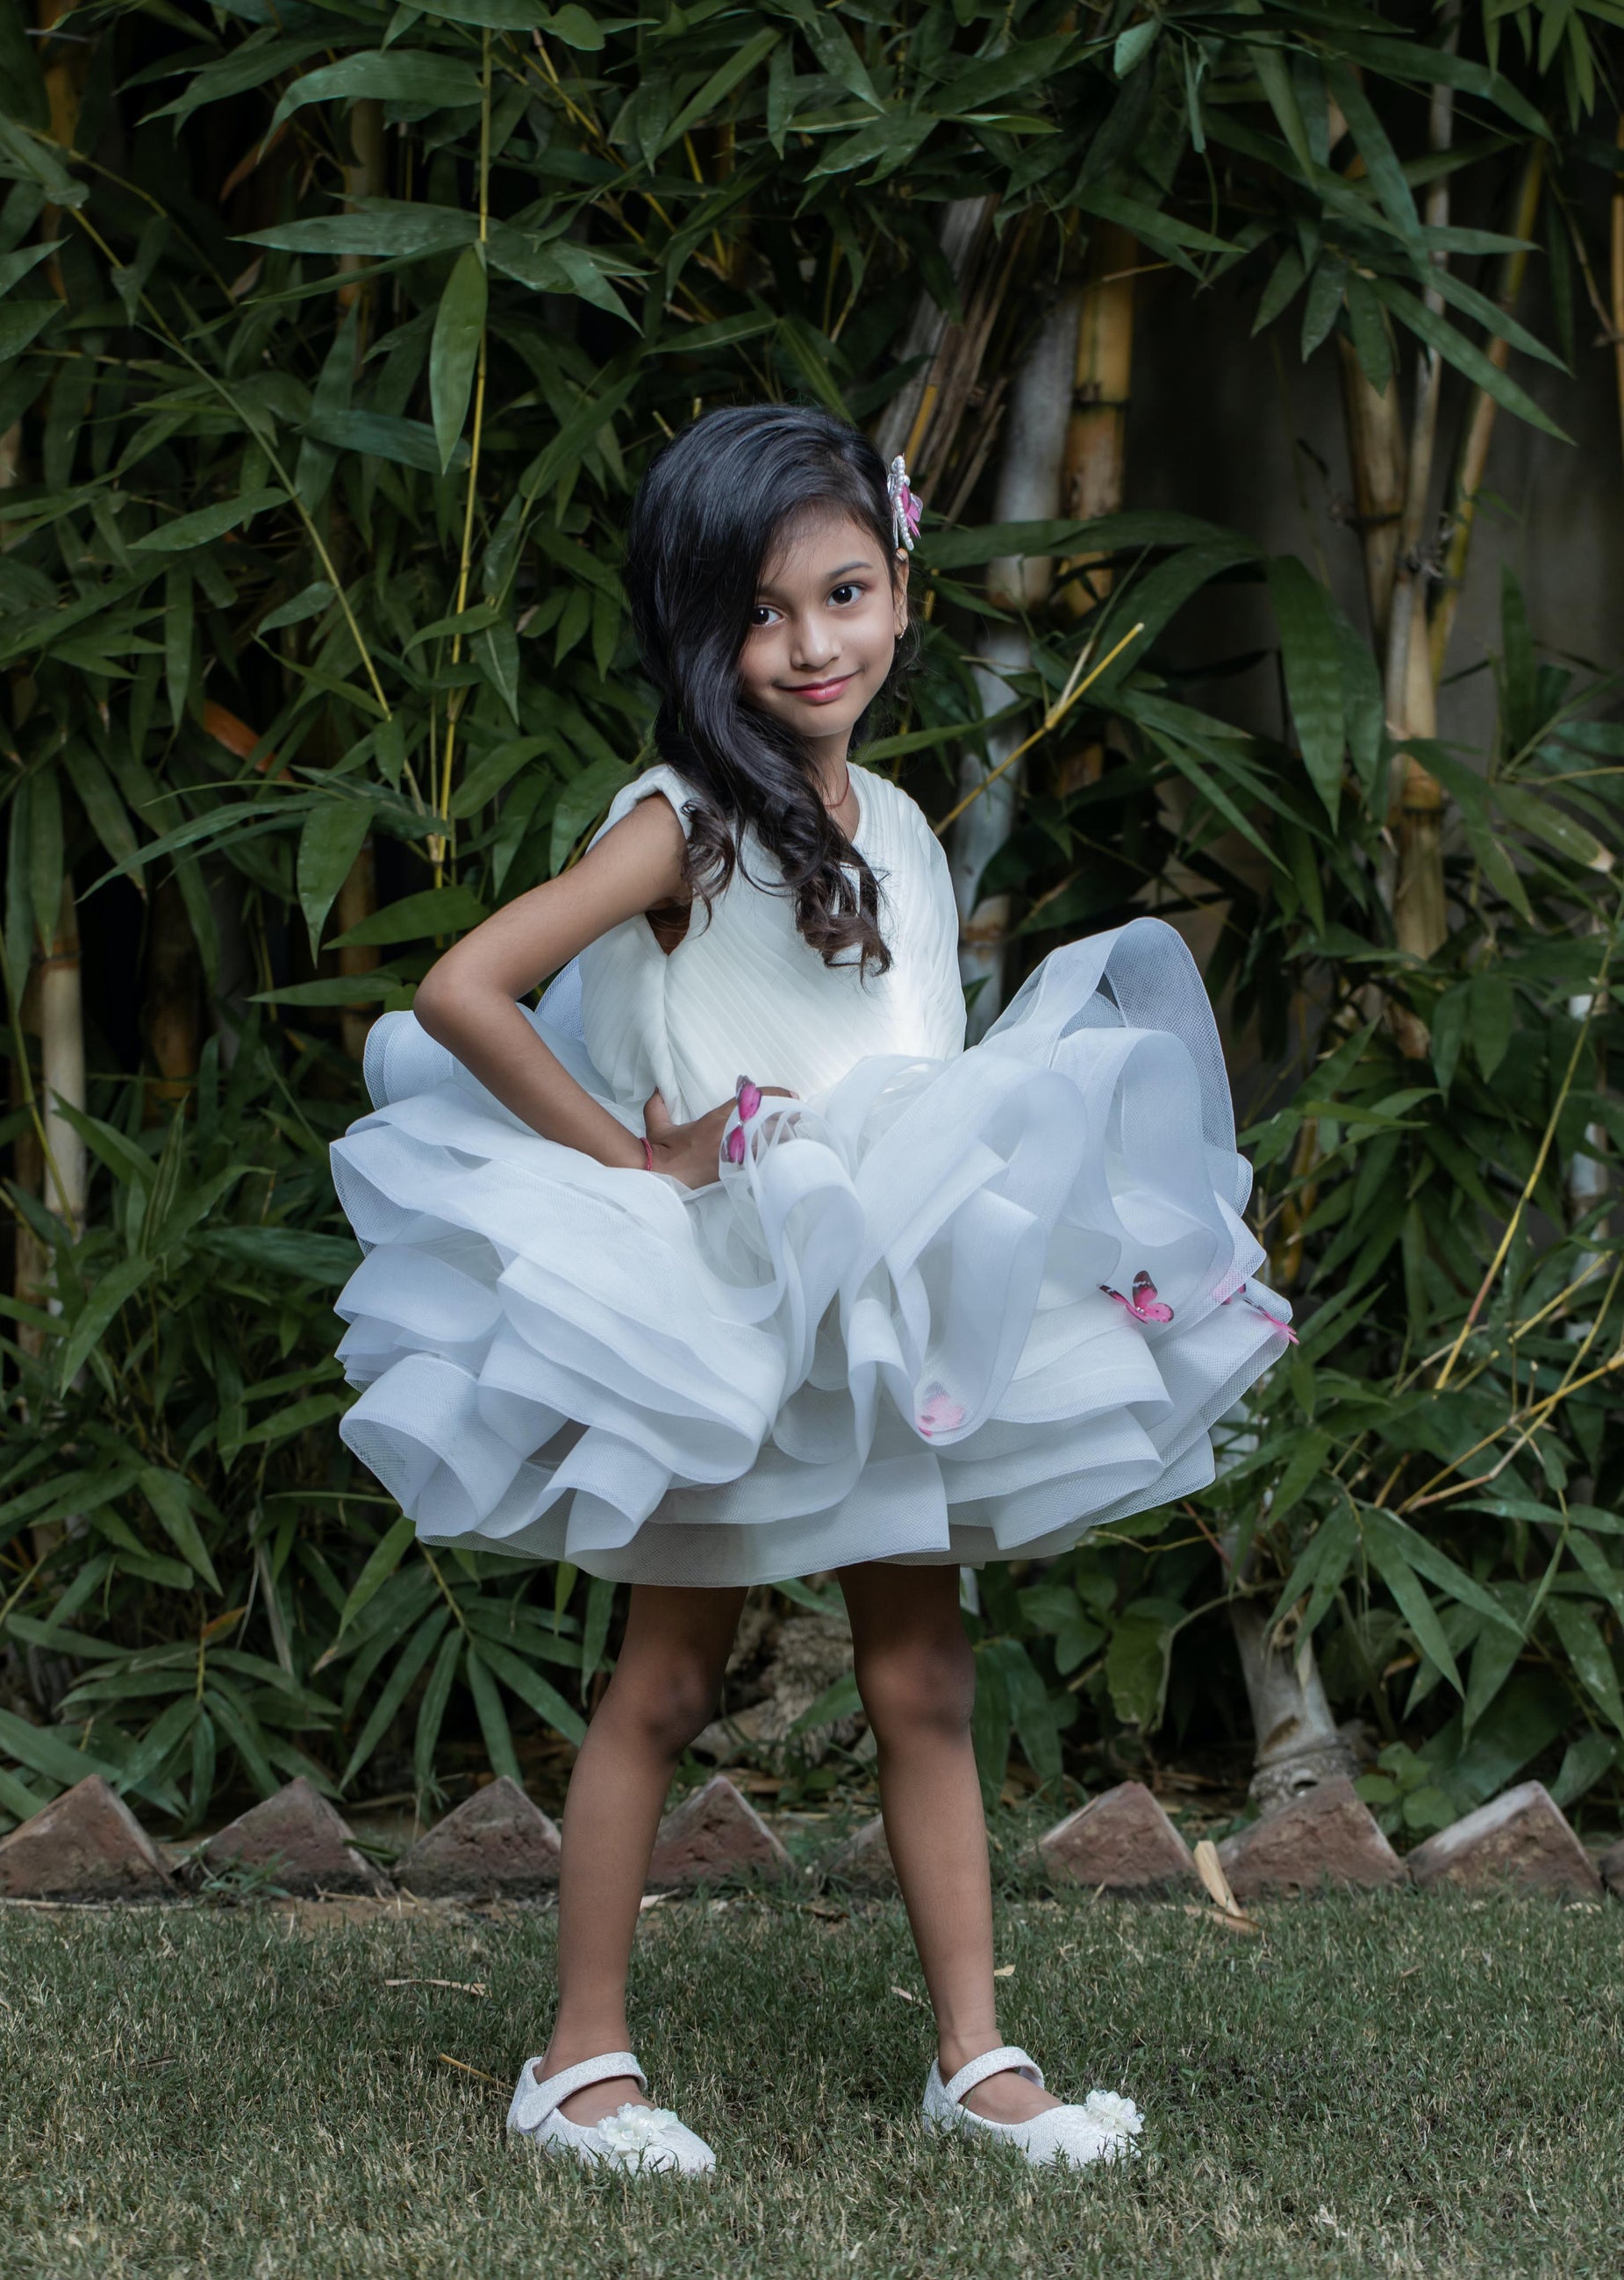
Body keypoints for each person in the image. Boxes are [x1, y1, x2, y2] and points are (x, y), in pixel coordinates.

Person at [330, 404, 1292, 2177]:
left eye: (843, 594)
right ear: (698, 631)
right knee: (666, 1679)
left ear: (901, 590)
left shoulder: (902, 828)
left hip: (884, 1312)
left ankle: (976, 2056)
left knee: (921, 1674)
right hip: (723, 1311)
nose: (808, 645)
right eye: (759, 614)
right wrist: (636, 1163)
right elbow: (465, 988)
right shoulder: (682, 826)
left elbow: (906, 1074)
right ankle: (577, 2061)